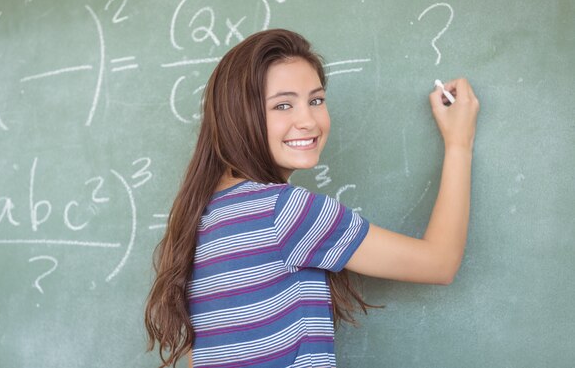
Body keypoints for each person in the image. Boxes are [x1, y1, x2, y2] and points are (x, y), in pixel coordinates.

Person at [145, 29, 479, 368]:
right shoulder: (286, 211)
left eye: (316, 100)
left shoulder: (199, 217)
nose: (308, 120)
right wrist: (459, 142)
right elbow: (440, 262)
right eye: (283, 105)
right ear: (238, 114)